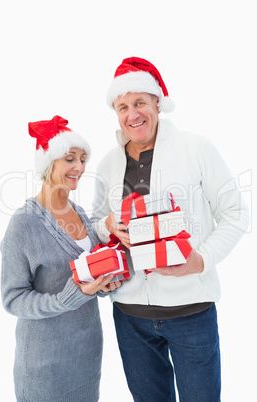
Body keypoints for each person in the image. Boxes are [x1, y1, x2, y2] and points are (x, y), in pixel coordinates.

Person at [91, 57, 249, 402]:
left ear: (157, 103)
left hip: (191, 312)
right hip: (130, 317)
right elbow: (95, 225)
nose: (132, 114)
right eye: (123, 106)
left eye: (140, 103)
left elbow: (236, 213)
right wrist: (106, 226)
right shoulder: (107, 163)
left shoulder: (196, 148)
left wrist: (201, 260)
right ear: (115, 113)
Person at [1, 115, 120, 402]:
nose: (79, 167)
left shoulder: (80, 214)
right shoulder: (24, 223)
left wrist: (103, 285)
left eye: (82, 159)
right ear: (48, 163)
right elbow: (13, 299)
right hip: (45, 366)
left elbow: (85, 276)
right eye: (69, 159)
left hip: (87, 356)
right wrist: (69, 297)